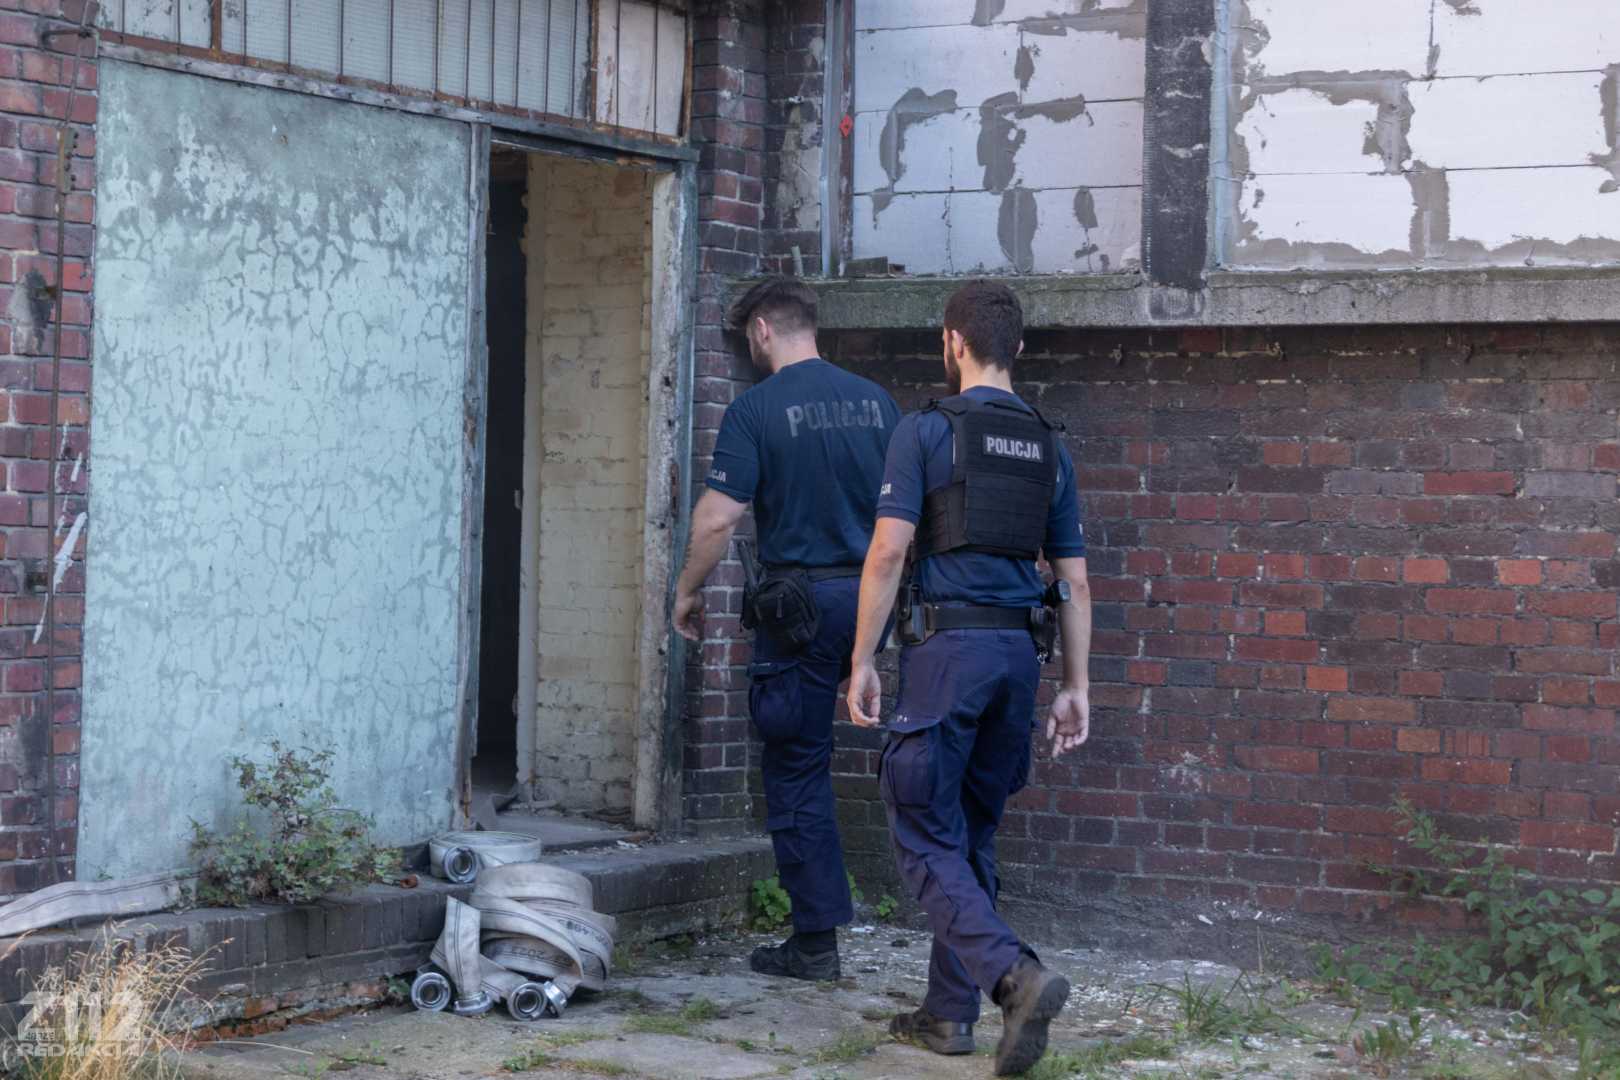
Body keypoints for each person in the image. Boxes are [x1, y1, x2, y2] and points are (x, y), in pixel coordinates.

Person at [845, 281, 1092, 1076]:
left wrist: (862, 658)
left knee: (922, 827)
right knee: (972, 835)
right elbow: (1073, 581)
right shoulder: (1049, 446)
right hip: (1018, 660)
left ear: (952, 342)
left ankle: (1014, 978)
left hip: (948, 656)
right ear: (1017, 348)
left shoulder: (925, 431)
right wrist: (1076, 686)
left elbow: (889, 551)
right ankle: (948, 1015)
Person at [673, 277, 901, 981]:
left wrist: (686, 590)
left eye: (749, 336)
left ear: (763, 330)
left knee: (797, 764)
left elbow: (719, 518)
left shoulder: (756, 408)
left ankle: (814, 943)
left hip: (798, 610)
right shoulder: (878, 402)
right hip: (871, 598)